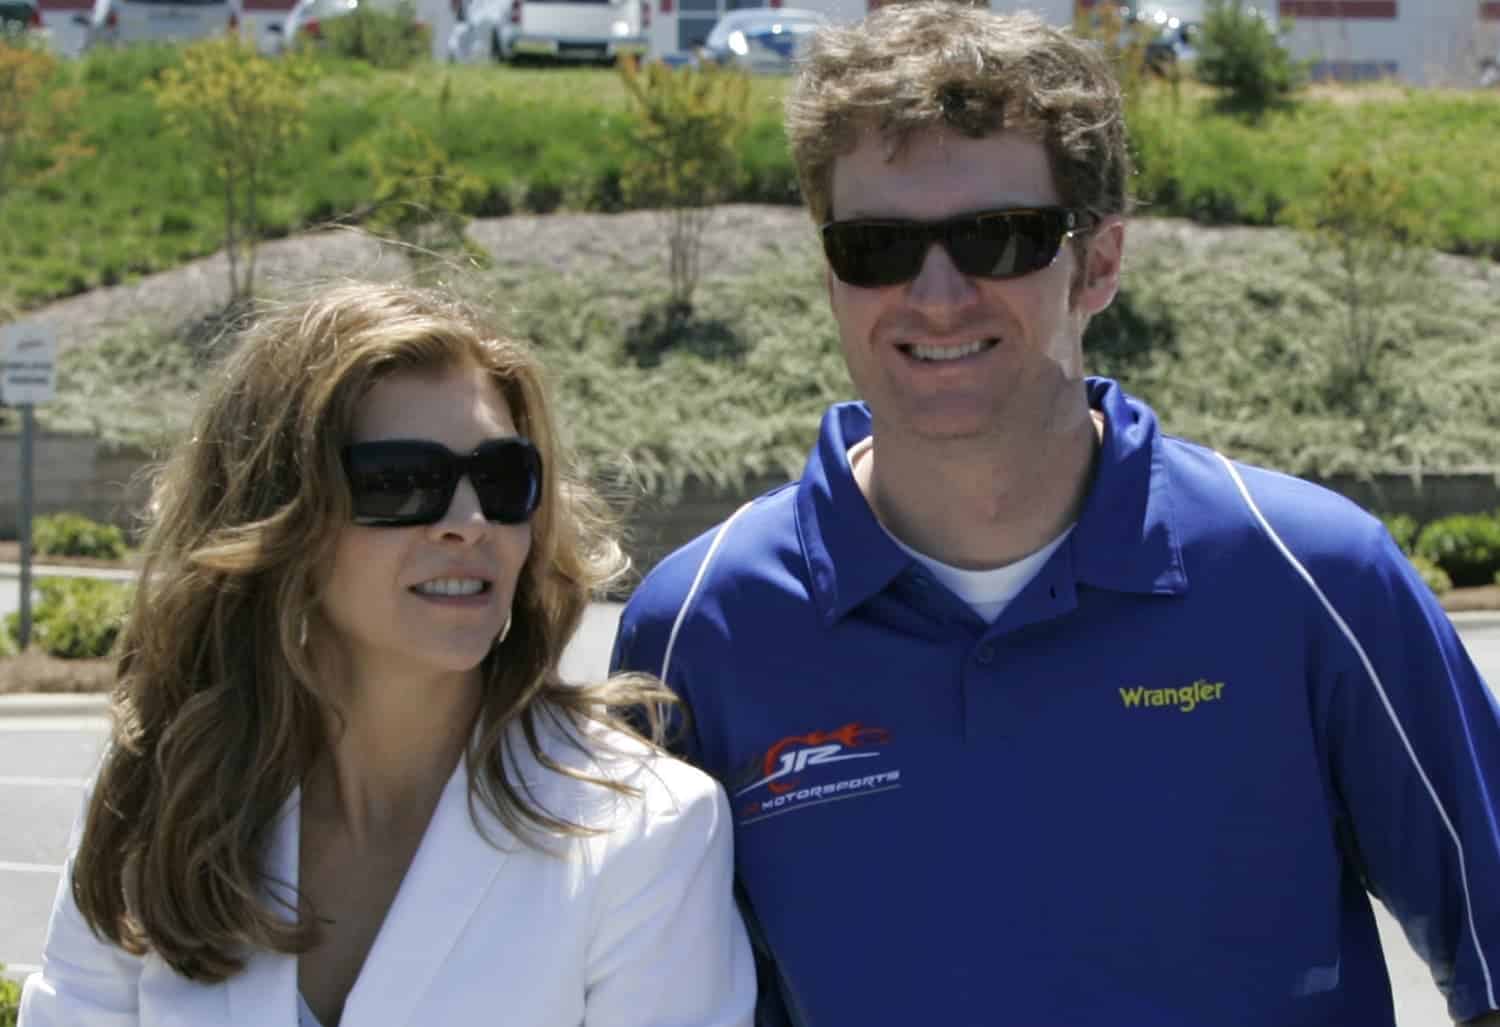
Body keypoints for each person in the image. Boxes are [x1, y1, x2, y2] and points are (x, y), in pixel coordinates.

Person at [608, 4, 1500, 1025]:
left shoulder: (1316, 579)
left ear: (1100, 262)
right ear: (829, 275)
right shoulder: (695, 629)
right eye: (876, 245)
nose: (936, 293)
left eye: (998, 237)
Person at [21, 283, 755, 1027]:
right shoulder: (162, 797)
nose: (468, 521)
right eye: (401, 482)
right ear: (277, 516)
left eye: (502, 479)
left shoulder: (647, 833)